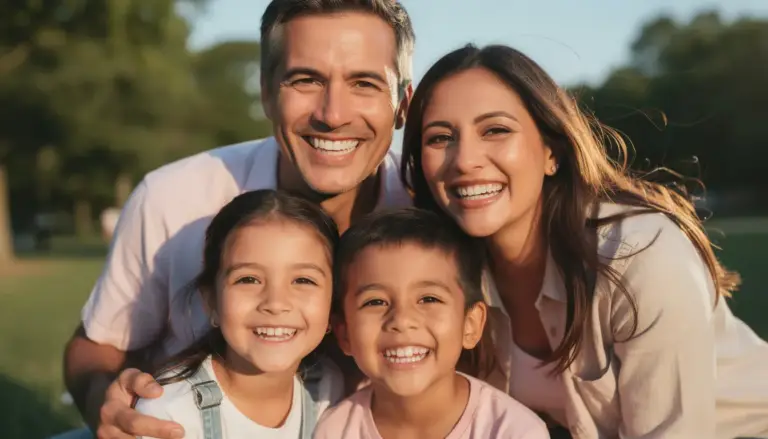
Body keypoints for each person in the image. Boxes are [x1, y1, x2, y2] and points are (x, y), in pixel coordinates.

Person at [59, 1, 415, 438]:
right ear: (266, 91)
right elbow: (95, 346)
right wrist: (105, 403)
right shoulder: (175, 198)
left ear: (402, 104)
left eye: (364, 83)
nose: (333, 114)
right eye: (305, 80)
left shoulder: (427, 216)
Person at [401, 43, 768, 439]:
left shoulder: (639, 255)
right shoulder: (445, 273)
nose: (465, 160)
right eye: (440, 138)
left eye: (496, 130)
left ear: (551, 153)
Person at [313, 208, 550, 439]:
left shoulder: (514, 431)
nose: (402, 320)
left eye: (429, 299)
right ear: (344, 333)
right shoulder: (332, 430)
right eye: (375, 302)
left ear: (471, 324)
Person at [135, 189, 343, 439]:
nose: (275, 304)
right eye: (248, 279)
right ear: (211, 301)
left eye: (302, 280)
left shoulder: (328, 390)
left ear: (332, 303)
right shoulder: (167, 413)